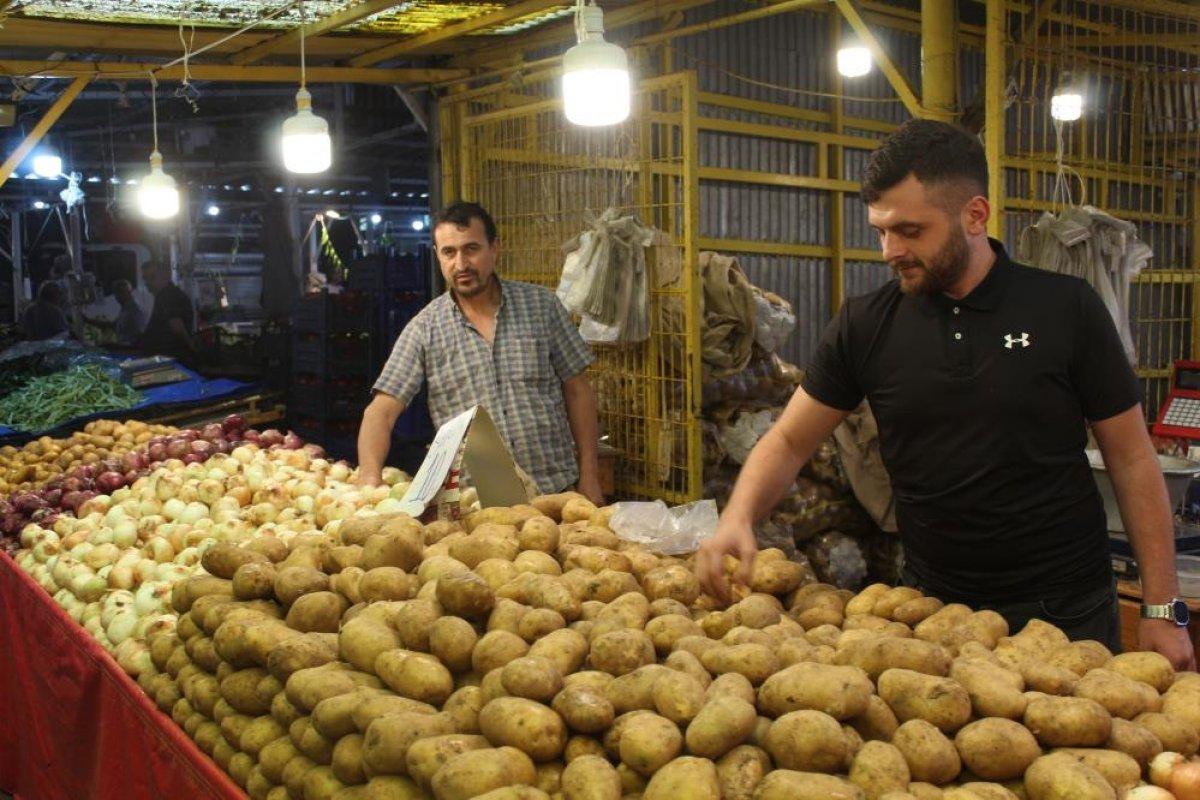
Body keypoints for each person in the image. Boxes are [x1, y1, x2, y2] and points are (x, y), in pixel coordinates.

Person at [696, 119, 1195, 670]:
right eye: (880, 231)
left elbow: (1131, 459)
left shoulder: (1065, 309)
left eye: (910, 230)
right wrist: (738, 515)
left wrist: (1162, 607)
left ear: (975, 215)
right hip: (933, 609)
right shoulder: (865, 325)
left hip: (1065, 612)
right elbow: (790, 440)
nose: (890, 251)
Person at [357, 201, 604, 504]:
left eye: (471, 249)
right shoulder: (424, 329)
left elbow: (578, 391)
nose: (461, 264)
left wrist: (589, 475)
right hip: (474, 504)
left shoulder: (542, 307)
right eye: (449, 252)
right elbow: (380, 413)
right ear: (437, 256)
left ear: (494, 248)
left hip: (555, 491)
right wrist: (369, 480)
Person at [138, 260, 196, 363]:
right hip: (165, 357)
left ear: (165, 276)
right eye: (145, 278)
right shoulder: (164, 295)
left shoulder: (168, 295)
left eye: (152, 277)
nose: (148, 282)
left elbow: (177, 326)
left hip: (170, 358)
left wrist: (192, 348)